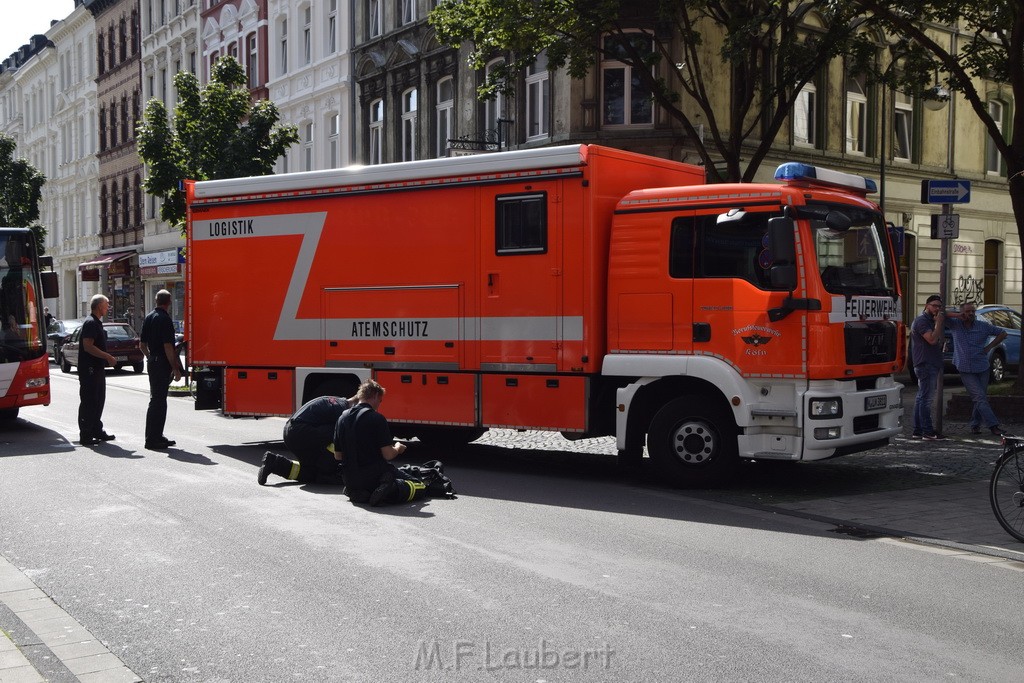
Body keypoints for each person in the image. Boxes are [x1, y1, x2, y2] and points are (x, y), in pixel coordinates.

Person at [333, 379, 426, 506]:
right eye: (380, 401)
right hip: (373, 476)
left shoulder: (342, 417)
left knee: (365, 482)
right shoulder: (377, 418)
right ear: (376, 395)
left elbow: (338, 455)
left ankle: (358, 492)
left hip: (349, 478)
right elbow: (388, 455)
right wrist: (398, 448)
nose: (379, 405)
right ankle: (389, 489)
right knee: (419, 486)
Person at [945, 302, 1011, 437]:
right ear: (962, 313)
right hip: (965, 367)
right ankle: (994, 426)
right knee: (979, 397)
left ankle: (975, 425)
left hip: (982, 367)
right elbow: (940, 315)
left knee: (980, 397)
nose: (970, 314)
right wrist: (958, 315)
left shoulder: (983, 326)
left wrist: (990, 347)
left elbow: (1003, 333)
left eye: (972, 311)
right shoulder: (955, 325)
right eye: (967, 311)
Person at [258, 394, 354, 485]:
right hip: (300, 433)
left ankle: (275, 463)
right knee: (339, 431)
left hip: (292, 432)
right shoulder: (341, 412)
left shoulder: (337, 402)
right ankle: (326, 472)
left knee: (310, 473)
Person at [140, 290, 183, 449]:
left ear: (157, 301)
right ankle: (153, 439)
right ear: (169, 302)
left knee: (156, 400)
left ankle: (156, 435)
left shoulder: (149, 317)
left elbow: (142, 345)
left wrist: (150, 357)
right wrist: (175, 368)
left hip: (153, 362)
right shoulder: (165, 319)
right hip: (161, 363)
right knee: (159, 401)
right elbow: (168, 346)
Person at [78, 294, 117, 445]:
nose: (108, 307)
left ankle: (96, 429)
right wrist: (107, 356)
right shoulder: (90, 323)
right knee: (90, 400)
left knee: (99, 399)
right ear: (100, 306)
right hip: (89, 368)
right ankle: (86, 434)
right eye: (107, 304)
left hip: (97, 368)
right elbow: (88, 346)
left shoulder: (96, 322)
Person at [910, 295, 947, 440]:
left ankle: (918, 430)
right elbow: (931, 339)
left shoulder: (929, 319)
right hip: (926, 364)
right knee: (926, 399)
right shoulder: (921, 321)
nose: (937, 308)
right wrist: (938, 324)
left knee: (921, 398)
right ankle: (927, 431)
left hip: (928, 362)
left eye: (939, 306)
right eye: (934, 305)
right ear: (926, 305)